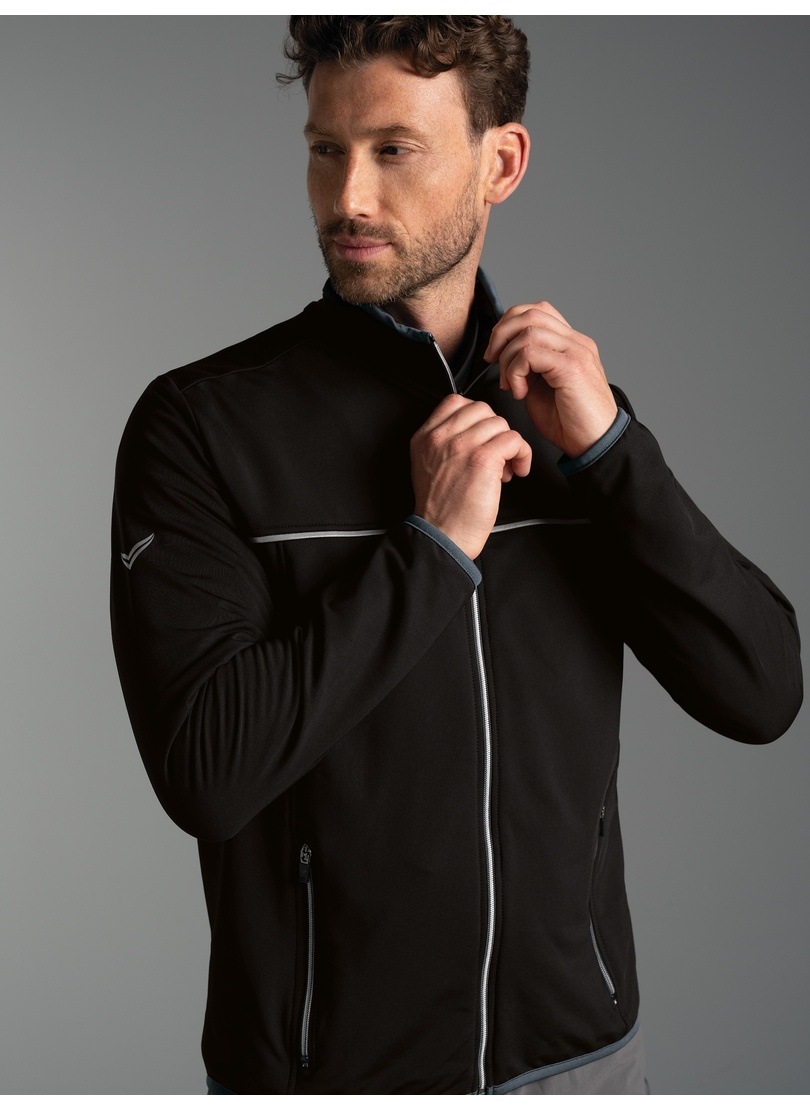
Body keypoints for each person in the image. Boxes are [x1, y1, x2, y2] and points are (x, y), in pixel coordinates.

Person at [110, 16, 802, 1096]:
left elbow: (761, 692)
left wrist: (617, 456)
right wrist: (429, 552)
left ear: (501, 163)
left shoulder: (571, 422)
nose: (347, 197)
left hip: (584, 1065)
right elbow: (207, 770)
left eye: (394, 149)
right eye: (325, 149)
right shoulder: (203, 427)